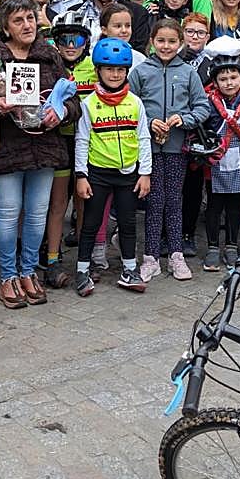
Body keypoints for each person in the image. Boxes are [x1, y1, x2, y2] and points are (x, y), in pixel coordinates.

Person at [0, 0, 81, 310]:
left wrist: (63, 112)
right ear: (5, 25)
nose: (27, 24)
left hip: (44, 146)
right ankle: (8, 276)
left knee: (37, 212)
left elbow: (74, 100)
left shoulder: (50, 54)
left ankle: (29, 271)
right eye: (18, 20)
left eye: (30, 17)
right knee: (7, 211)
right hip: (7, 148)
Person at [71, 37, 152, 297]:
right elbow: (82, 141)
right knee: (92, 223)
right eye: (109, 69)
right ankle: (83, 270)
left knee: (128, 223)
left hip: (129, 174)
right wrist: (81, 175)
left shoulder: (135, 103)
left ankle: (129, 269)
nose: (115, 74)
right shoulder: (88, 104)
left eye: (120, 69)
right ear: (98, 71)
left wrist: (145, 172)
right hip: (97, 174)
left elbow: (143, 138)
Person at [131, 19, 211, 281]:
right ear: (152, 41)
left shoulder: (188, 72)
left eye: (172, 41)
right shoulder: (141, 72)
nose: (166, 46)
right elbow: (130, 105)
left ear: (181, 43)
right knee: (153, 201)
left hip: (177, 148)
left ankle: (176, 255)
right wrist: (150, 120)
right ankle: (151, 257)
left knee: (174, 201)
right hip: (148, 148)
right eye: (161, 40)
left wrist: (183, 119)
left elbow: (202, 107)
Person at [44, 11, 94, 287]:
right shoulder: (51, 67)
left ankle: (85, 258)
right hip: (58, 142)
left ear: (86, 42)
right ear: (56, 42)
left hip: (88, 144)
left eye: (76, 39)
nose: (71, 45)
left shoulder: (94, 67)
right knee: (58, 202)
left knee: (85, 199)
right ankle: (52, 257)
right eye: (64, 39)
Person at [201, 55, 240, 270]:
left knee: (234, 207)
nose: (229, 83)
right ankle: (213, 247)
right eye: (223, 79)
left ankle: (231, 245)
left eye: (233, 77)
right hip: (215, 162)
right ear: (215, 81)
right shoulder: (209, 103)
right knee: (214, 206)